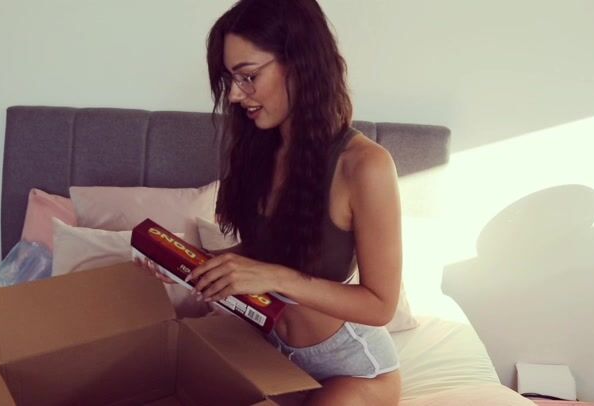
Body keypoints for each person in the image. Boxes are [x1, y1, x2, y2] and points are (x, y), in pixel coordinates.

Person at [139, 0, 402, 404]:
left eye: (248, 77)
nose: (235, 95)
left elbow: (380, 305)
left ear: (300, 64)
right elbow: (264, 250)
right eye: (230, 79)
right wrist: (195, 266)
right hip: (274, 348)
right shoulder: (260, 149)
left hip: (351, 367)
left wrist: (274, 278)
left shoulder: (365, 165)